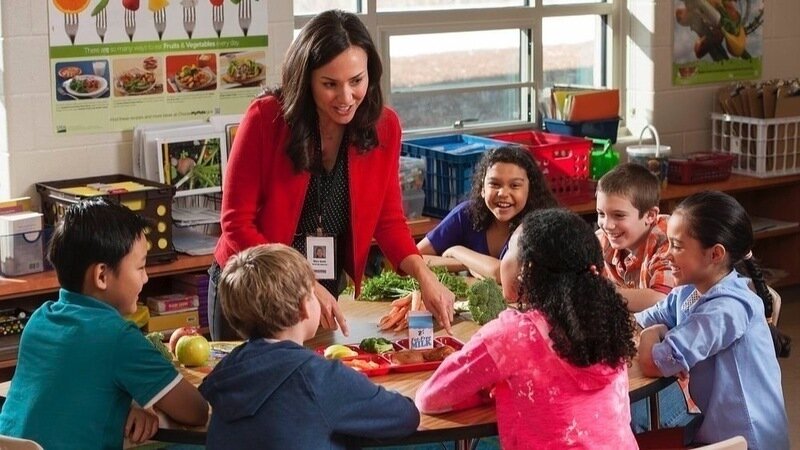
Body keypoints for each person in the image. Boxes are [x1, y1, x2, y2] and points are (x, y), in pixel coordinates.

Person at [211, 9, 454, 341]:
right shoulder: (265, 119)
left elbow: (388, 221)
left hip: (322, 291)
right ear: (306, 79)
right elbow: (236, 224)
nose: (346, 98)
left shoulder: (385, 126)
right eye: (330, 84)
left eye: (356, 81)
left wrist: (424, 275)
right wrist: (304, 285)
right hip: (252, 290)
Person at [415, 208, 638, 449]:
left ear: (526, 269)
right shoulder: (608, 324)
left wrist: (487, 390)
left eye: (509, 251)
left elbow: (431, 398)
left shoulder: (512, 334)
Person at [0, 198, 208, 449]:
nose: (146, 278)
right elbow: (196, 411)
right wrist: (146, 402)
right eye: (141, 267)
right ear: (101, 276)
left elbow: (69, 393)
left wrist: (129, 403)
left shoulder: (39, 320)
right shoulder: (119, 338)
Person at [199, 243, 420, 449]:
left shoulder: (226, 371)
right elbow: (406, 416)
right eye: (314, 293)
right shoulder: (321, 376)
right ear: (304, 307)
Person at [637, 191, 789, 449]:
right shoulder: (691, 290)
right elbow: (646, 318)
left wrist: (649, 334)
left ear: (715, 254)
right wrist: (651, 329)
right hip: (716, 429)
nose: (666, 255)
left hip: (746, 441)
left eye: (677, 246)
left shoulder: (726, 309)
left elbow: (653, 363)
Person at [417, 145, 557, 281]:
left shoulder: (538, 227)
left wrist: (457, 251)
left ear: (530, 189)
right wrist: (466, 264)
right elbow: (415, 258)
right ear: (482, 189)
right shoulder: (466, 214)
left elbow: (503, 273)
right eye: (495, 184)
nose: (503, 193)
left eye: (514, 185)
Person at [595, 163, 675, 312]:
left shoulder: (669, 239)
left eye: (619, 215)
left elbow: (662, 300)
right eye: (601, 214)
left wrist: (601, 294)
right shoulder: (599, 240)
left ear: (650, 215)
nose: (607, 225)